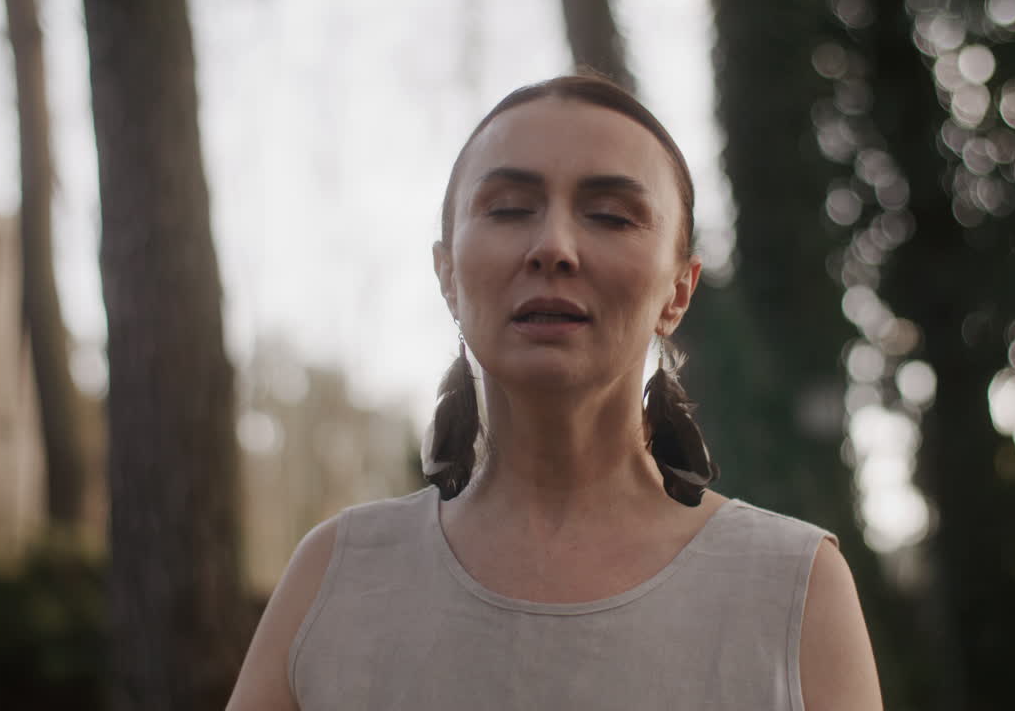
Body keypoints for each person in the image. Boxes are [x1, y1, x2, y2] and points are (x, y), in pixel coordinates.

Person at [227, 74, 882, 710]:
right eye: (510, 209)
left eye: (609, 216)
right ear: (447, 273)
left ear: (679, 289)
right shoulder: (336, 578)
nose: (554, 247)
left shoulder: (794, 589)